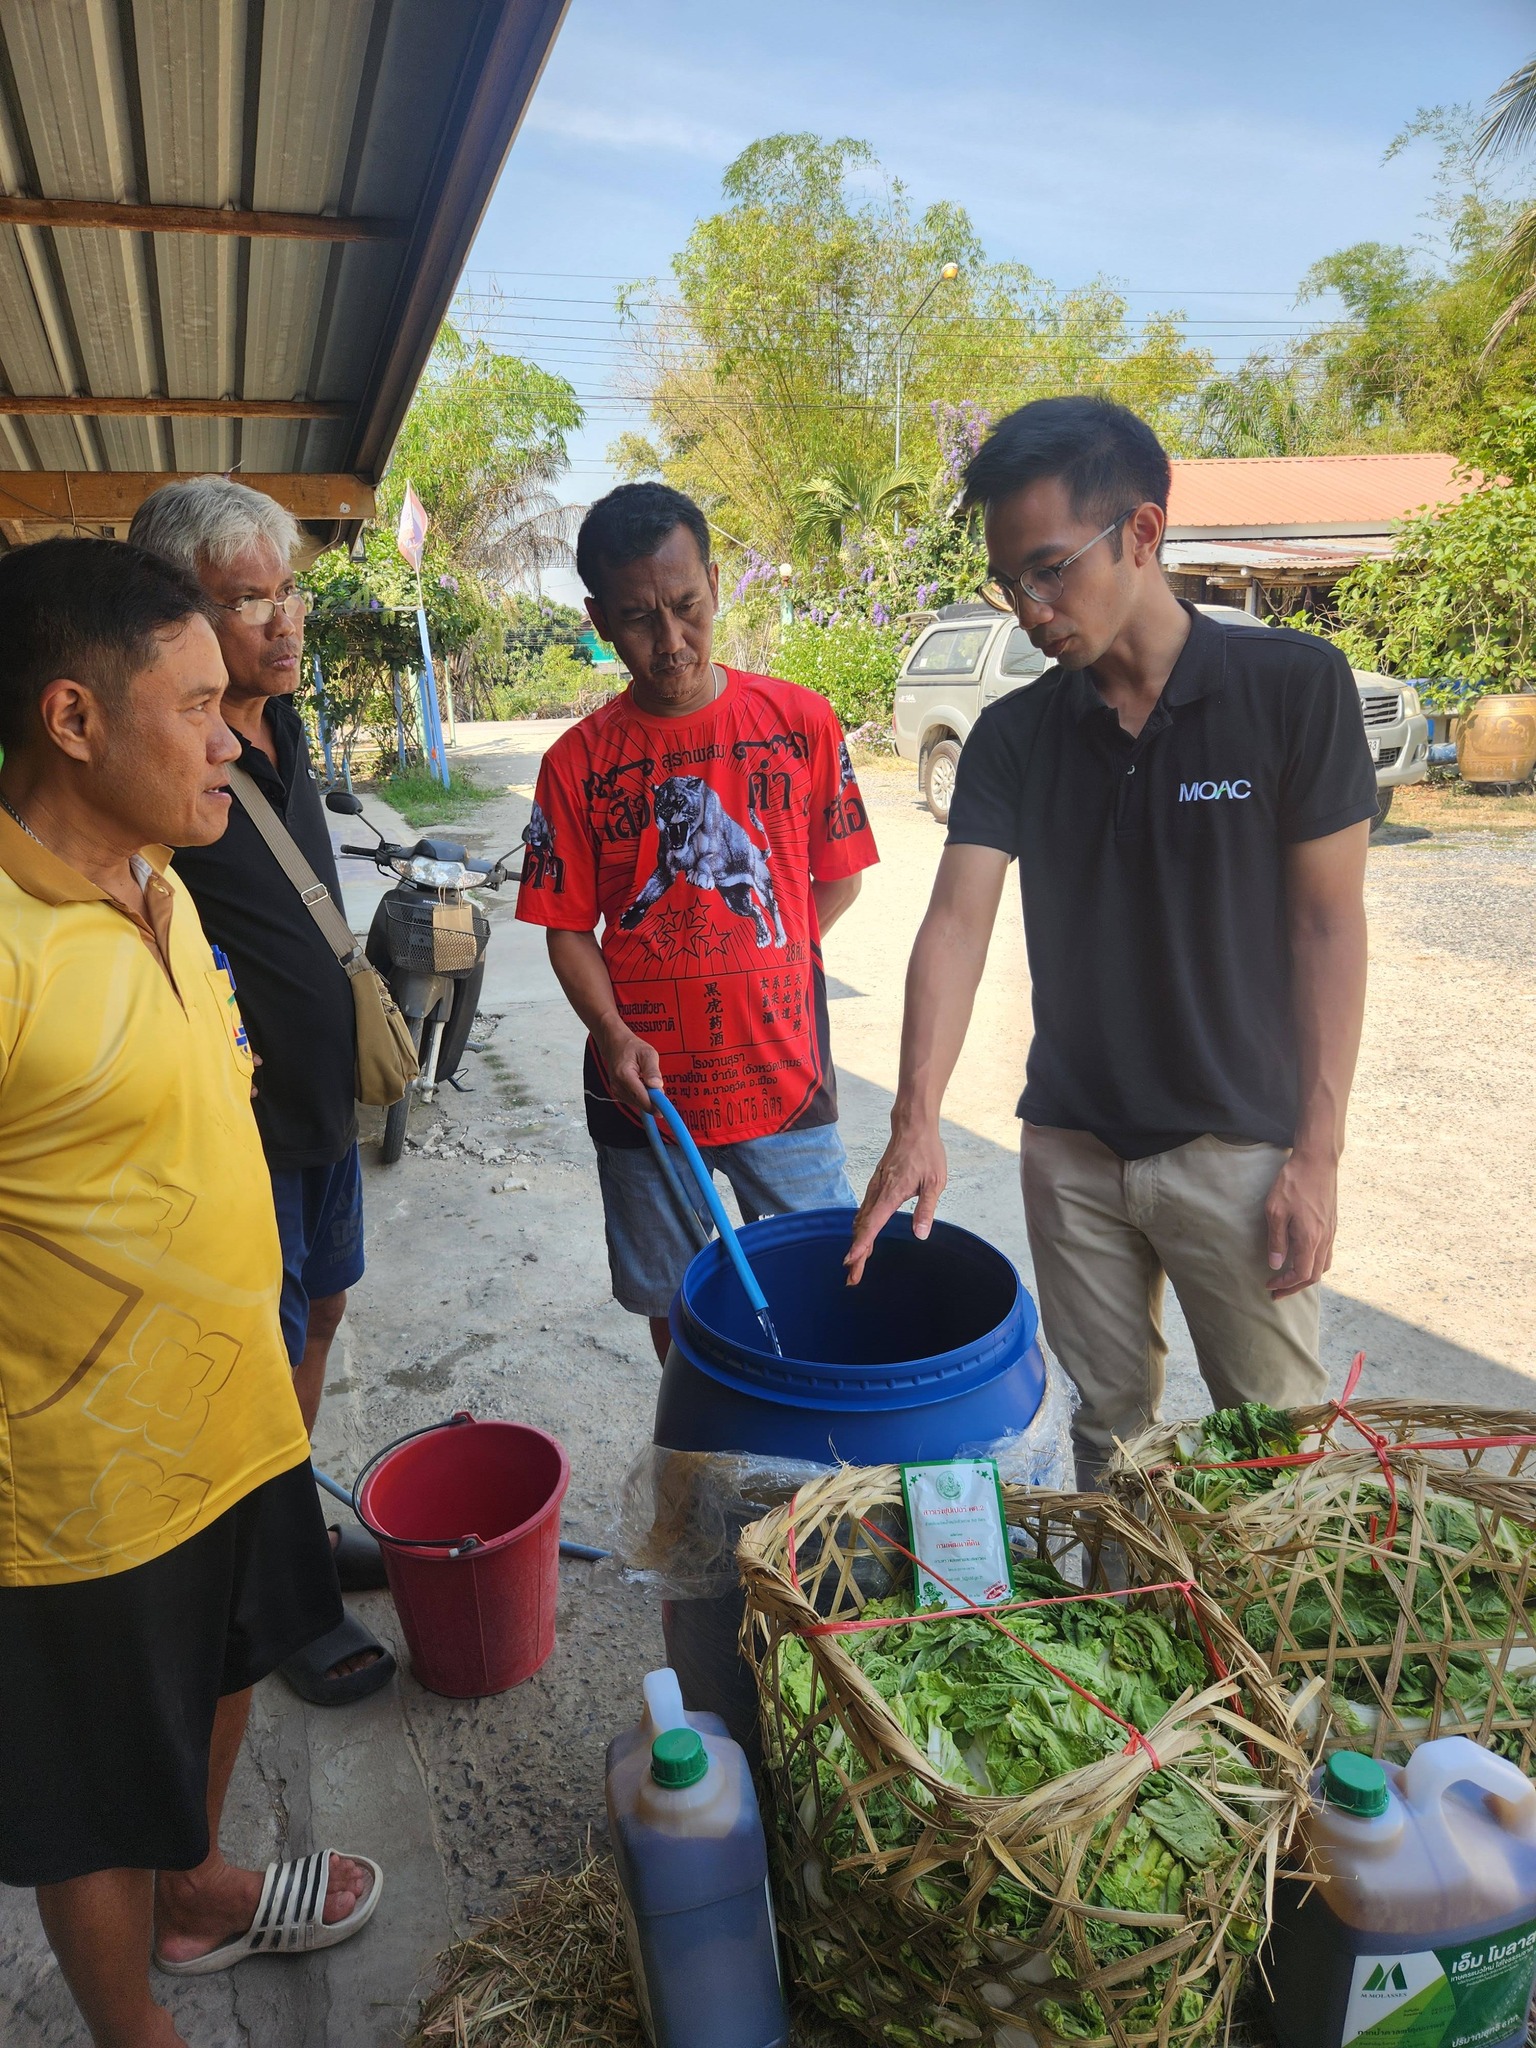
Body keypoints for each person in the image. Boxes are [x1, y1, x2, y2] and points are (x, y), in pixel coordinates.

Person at [0, 538, 381, 2048]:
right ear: (74, 719)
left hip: (237, 1413)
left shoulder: (164, 881)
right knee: (95, 1778)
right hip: (82, 1483)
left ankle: (200, 1886)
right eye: (197, 704)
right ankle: (127, 2020)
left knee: (233, 1665)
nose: (232, 737)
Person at [847, 397, 1375, 1484]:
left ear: (1143, 532)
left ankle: (1269, 1660)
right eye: (1009, 582)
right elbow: (955, 921)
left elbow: (1330, 923)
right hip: (1073, 1154)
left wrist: (1314, 1156)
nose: (1029, 609)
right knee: (1110, 1445)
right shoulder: (1016, 737)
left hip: (1235, 1150)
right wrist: (916, 1120)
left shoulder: (1291, 690)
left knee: (1275, 1458)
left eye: (1049, 569)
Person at [128, 478, 391, 1708]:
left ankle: (291, 1532)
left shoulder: (281, 725)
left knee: (323, 1313)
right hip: (236, 1137)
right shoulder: (161, 762)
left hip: (320, 1111)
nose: (286, 621)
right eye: (249, 599)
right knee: (253, 1355)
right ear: (179, 612)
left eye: (289, 590)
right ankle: (270, 1598)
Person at [517, 483, 879, 1360]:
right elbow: (567, 927)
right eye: (640, 618)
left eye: (686, 606)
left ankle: (817, 1483)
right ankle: (703, 1475)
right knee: (677, 1318)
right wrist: (610, 1029)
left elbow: (833, 881)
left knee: (826, 1294)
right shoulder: (576, 764)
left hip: (785, 1080)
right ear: (600, 619)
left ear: (716, 583)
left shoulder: (800, 723)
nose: (671, 641)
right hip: (644, 1097)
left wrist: (774, 958)